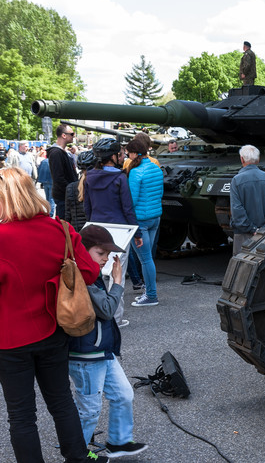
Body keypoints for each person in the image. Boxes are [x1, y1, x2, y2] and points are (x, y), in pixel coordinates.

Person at [0, 167, 106, 463]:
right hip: (54, 328)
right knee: (61, 401)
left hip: (9, 338)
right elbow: (90, 272)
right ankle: (77, 457)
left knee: (21, 415)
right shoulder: (60, 228)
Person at [69, 225, 149, 458]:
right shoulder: (83, 276)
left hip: (101, 350)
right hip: (85, 354)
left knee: (124, 394)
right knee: (89, 411)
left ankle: (119, 441)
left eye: (106, 254)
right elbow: (106, 310)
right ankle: (77, 456)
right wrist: (117, 282)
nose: (105, 259)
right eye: (100, 253)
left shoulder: (91, 273)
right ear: (83, 250)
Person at [84, 138, 142, 326]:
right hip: (119, 231)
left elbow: (88, 206)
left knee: (97, 273)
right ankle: (115, 319)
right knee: (117, 273)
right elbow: (127, 208)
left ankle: (98, 313)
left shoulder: (89, 176)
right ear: (114, 156)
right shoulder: (119, 177)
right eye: (120, 153)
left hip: (95, 228)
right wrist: (137, 233)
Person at [125, 139, 164, 307]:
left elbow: (131, 200)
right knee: (148, 258)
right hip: (155, 217)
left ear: (134, 153)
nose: (127, 155)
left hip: (140, 220)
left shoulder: (135, 172)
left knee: (145, 259)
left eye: (128, 152)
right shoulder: (156, 168)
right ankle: (150, 292)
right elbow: (160, 192)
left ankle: (151, 295)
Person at [230, 145, 265, 254]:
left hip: (243, 234)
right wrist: (264, 228)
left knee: (242, 266)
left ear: (242, 159)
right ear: (258, 159)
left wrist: (252, 229)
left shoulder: (236, 180)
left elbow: (237, 210)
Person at [50, 124, 79, 219]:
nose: (73, 136)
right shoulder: (56, 153)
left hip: (66, 195)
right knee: (63, 224)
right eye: (71, 134)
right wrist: (71, 190)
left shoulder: (61, 152)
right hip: (63, 197)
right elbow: (59, 178)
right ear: (64, 135)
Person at [64, 150, 96, 231]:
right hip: (95, 231)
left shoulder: (71, 187)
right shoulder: (98, 186)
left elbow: (68, 215)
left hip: (77, 232)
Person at [37, 152, 55, 216]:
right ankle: (51, 213)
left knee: (47, 198)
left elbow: (39, 170)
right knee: (51, 198)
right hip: (52, 181)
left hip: (45, 181)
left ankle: (48, 211)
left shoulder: (44, 161)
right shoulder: (54, 162)